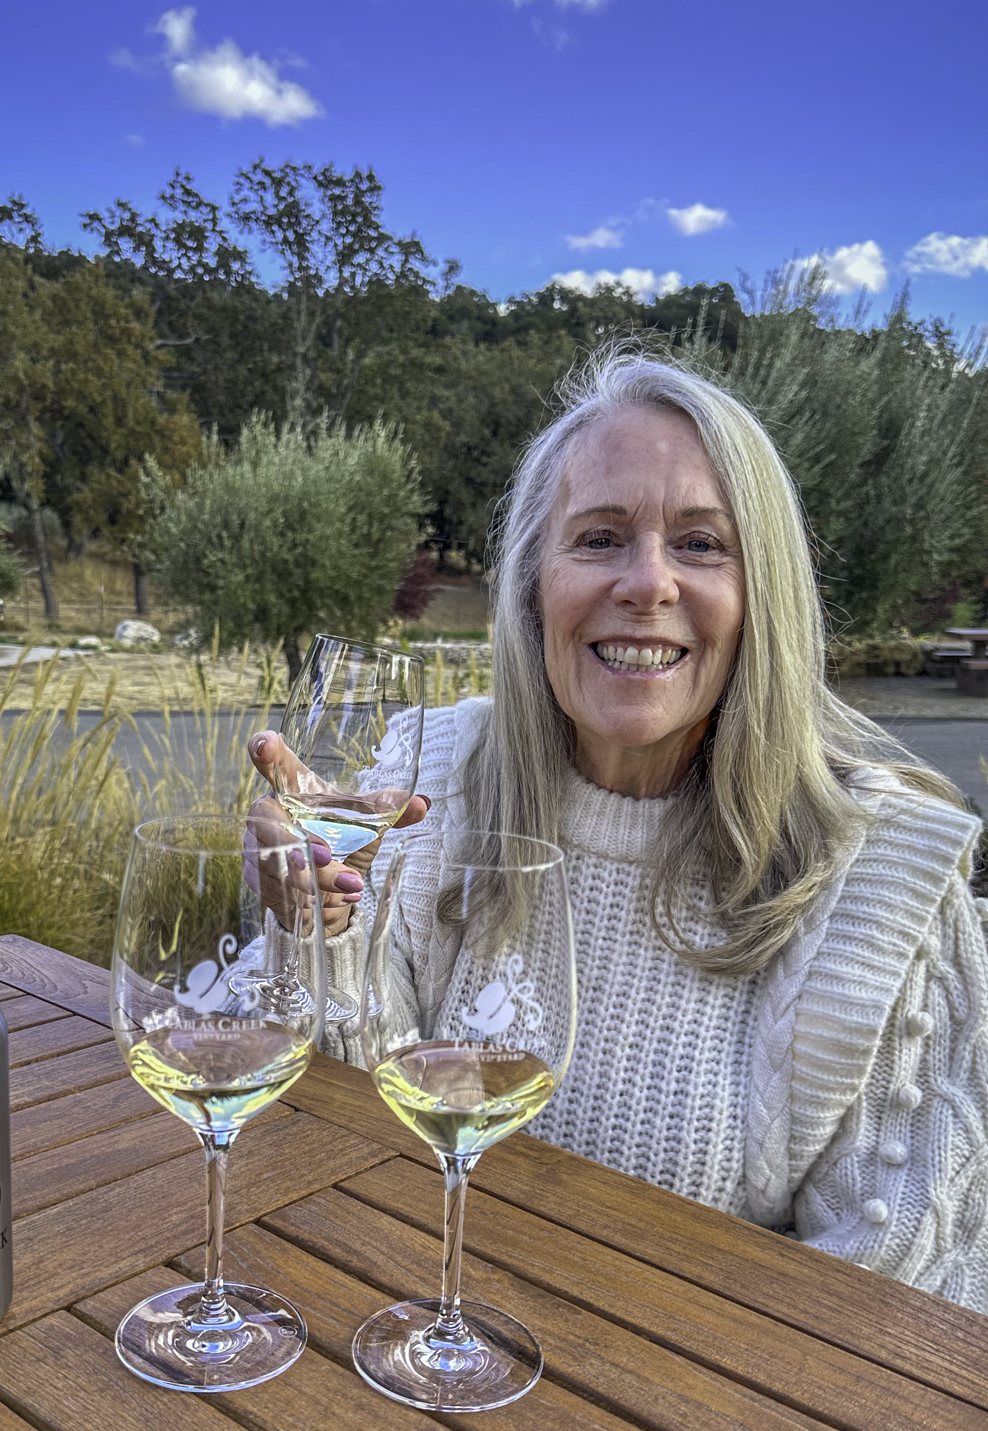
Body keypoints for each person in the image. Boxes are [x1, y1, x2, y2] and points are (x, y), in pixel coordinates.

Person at [249, 353, 988, 1311]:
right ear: (532, 585)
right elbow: (337, 1133)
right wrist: (317, 926)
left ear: (763, 595)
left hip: (693, 1387)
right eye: (599, 538)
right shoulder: (432, 773)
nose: (647, 584)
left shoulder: (884, 872)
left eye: (702, 544)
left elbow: (906, 1302)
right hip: (414, 1330)